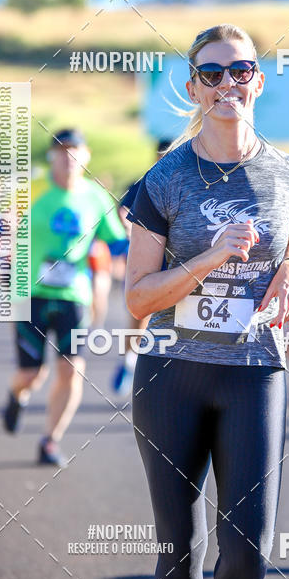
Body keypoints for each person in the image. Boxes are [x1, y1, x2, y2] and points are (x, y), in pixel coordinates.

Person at [125, 24, 289, 579]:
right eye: (211, 73)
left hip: (253, 372)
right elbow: (138, 298)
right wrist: (208, 259)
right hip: (171, 374)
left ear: (258, 80)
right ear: (193, 88)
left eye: (240, 70)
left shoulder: (288, 172)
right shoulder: (164, 180)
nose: (226, 83)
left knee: (249, 552)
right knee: (179, 549)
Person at [1, 128, 126, 467]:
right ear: (51, 157)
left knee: (72, 370)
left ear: (86, 156)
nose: (68, 157)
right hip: (30, 294)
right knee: (31, 375)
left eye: (75, 150)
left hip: (74, 297)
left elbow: (117, 242)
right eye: (61, 150)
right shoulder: (32, 190)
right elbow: (3, 229)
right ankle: (16, 395)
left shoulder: (96, 197)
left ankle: (50, 441)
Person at [111, 139, 171, 396]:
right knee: (139, 314)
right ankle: (129, 360)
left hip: (175, 261)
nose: (165, 159)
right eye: (162, 155)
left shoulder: (186, 181)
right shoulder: (144, 183)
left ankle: (161, 372)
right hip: (146, 258)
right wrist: (129, 227)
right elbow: (122, 209)